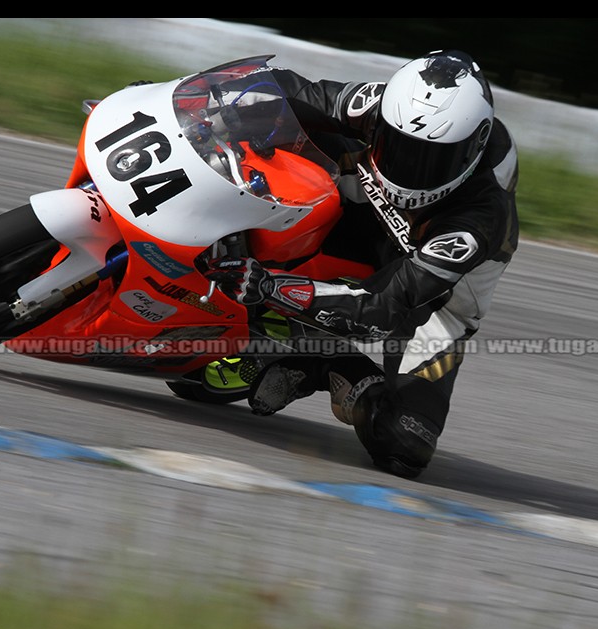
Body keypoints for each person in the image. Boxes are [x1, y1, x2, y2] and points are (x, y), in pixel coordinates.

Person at [202, 50, 519, 479]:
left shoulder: (480, 216)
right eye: (399, 147)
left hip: (432, 296)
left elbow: (385, 303)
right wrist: (194, 103)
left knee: (405, 443)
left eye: (431, 161)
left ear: (472, 149)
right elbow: (297, 91)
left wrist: (270, 287)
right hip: (365, 216)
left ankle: (326, 361)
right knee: (272, 129)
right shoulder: (388, 106)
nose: (409, 170)